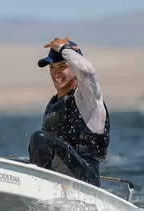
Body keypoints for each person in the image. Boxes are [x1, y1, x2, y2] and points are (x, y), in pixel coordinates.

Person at [28, 37, 110, 187]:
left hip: (87, 183)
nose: (56, 72)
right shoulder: (54, 104)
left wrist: (65, 49)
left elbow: (87, 71)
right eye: (52, 67)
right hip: (60, 183)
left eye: (62, 66)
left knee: (40, 138)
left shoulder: (87, 99)